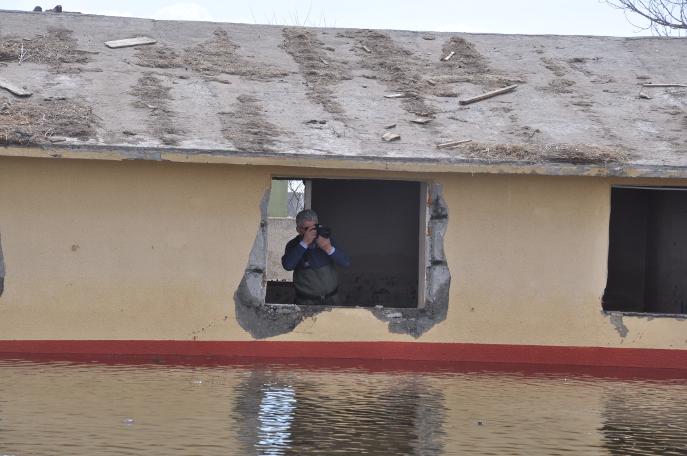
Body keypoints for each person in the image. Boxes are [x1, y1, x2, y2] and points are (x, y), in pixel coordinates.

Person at [281, 209, 350, 305]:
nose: (311, 232)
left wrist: (327, 248)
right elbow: (288, 266)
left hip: (331, 299)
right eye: (306, 229)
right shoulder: (293, 245)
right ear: (298, 230)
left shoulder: (326, 240)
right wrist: (304, 244)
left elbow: (345, 262)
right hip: (305, 302)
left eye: (314, 227)